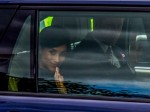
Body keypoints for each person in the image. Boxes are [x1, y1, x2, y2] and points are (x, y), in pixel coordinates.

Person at [8, 26, 71, 94]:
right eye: (52, 52)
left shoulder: (67, 75)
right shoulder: (25, 76)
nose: (57, 59)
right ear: (40, 50)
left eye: (62, 54)